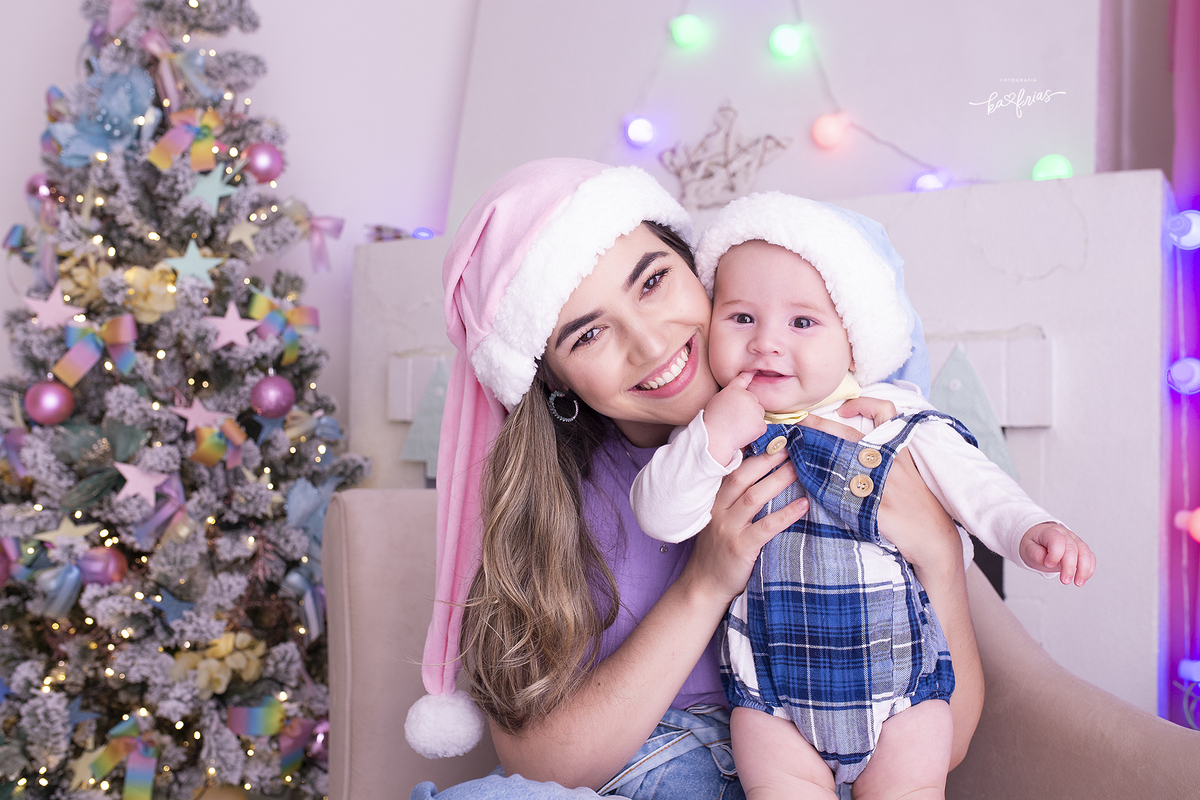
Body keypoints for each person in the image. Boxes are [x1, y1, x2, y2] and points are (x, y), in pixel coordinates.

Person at [404, 159, 984, 799]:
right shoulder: (562, 500)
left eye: (652, 282)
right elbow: (539, 763)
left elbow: (942, 747)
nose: (650, 343)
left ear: (698, 270)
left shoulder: (857, 440)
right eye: (590, 334)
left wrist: (938, 551)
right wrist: (705, 581)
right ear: (554, 380)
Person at [628, 192, 1096, 799]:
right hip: (773, 706)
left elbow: (976, 483)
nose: (767, 342)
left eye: (802, 322)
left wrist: (1031, 530)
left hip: (900, 694)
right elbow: (659, 515)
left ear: (854, 340)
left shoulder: (891, 417)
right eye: (741, 318)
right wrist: (713, 437)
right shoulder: (717, 434)